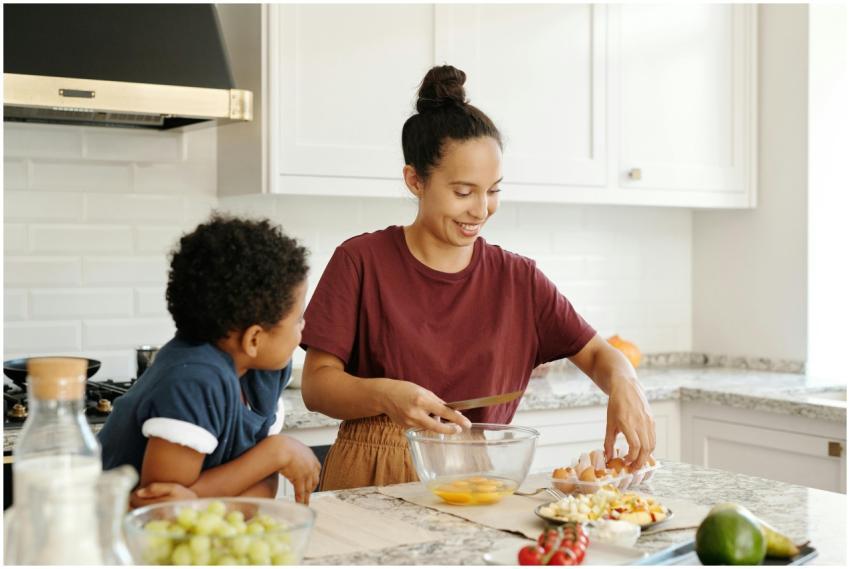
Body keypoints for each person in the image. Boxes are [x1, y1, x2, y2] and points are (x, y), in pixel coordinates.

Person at [300, 65, 656, 491]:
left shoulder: (519, 280)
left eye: (494, 190)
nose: (481, 209)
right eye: (464, 192)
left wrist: (625, 383)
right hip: (374, 474)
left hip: (482, 478)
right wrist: (385, 396)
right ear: (415, 180)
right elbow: (317, 385)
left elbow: (600, 355)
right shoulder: (360, 260)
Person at [98, 215, 321, 505]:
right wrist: (274, 453)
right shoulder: (194, 379)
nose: (302, 329)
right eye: (297, 320)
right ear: (254, 339)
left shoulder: (264, 373)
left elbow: (263, 486)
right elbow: (159, 508)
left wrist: (264, 465)